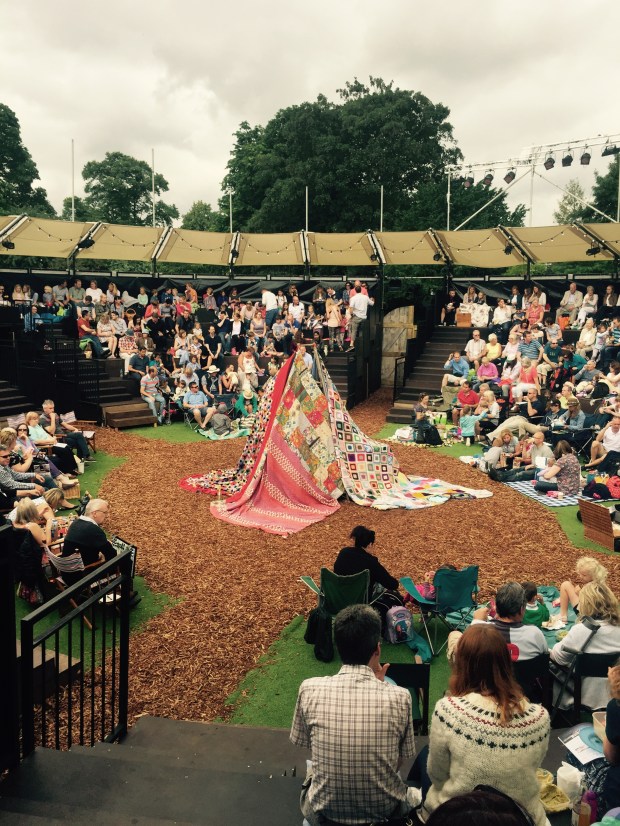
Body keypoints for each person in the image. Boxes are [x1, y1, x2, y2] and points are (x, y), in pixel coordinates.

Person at [290, 604, 419, 826]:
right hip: (383, 810)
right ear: (377, 649)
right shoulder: (400, 697)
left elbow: (312, 745)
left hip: (324, 812)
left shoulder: (309, 689)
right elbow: (396, 761)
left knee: (313, 768)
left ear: (338, 647)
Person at [416, 624, 550, 825]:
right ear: (505, 663)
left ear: (463, 665)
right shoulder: (539, 717)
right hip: (524, 818)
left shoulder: (448, 710)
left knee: (424, 758)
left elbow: (437, 775)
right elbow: (532, 767)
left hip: (457, 816)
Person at [550, 582, 620, 711]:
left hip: (581, 695)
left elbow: (558, 658)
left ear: (586, 604)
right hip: (615, 693)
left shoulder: (582, 630)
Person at [334, 525, 404, 621]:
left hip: (338, 601)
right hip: (361, 605)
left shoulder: (343, 553)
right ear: (370, 544)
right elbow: (393, 584)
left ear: (355, 541)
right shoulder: (371, 562)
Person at [467, 581, 548, 662]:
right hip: (527, 674)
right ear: (522, 609)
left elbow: (466, 649)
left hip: (492, 674)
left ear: (496, 608)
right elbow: (545, 654)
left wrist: (476, 621)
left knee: (454, 635)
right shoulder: (535, 634)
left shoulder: (482, 633)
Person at [556, 555, 608, 625]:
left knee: (565, 585)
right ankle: (563, 616)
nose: (581, 577)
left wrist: (580, 594)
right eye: (580, 574)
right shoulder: (599, 583)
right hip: (589, 613)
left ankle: (563, 615)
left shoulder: (593, 587)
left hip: (588, 617)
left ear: (593, 575)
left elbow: (592, 605)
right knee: (566, 584)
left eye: (584, 575)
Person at [347, 285, 374, 350]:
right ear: (361, 290)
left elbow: (351, 308)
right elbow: (372, 303)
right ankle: (363, 344)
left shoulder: (353, 298)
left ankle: (351, 344)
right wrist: (372, 299)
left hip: (356, 316)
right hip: (364, 317)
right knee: (363, 331)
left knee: (354, 331)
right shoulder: (365, 297)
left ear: (355, 291)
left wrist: (351, 314)